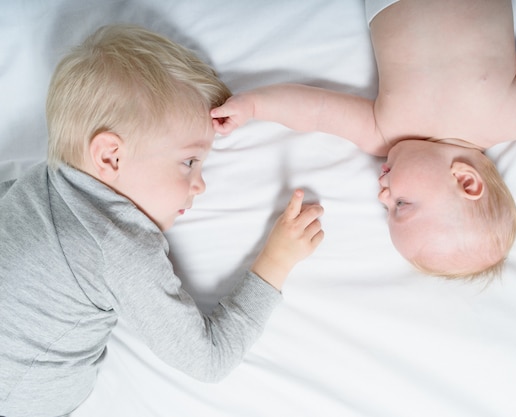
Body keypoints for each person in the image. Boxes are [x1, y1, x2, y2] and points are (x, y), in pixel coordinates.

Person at [0, 24, 324, 417]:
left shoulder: (34, 184)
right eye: (189, 162)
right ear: (110, 158)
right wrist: (277, 259)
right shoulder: (117, 247)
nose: (200, 184)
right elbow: (209, 360)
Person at [210, 0, 516, 279]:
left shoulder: (383, 134)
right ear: (466, 182)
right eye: (401, 205)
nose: (382, 195)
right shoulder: (514, 116)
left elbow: (316, 111)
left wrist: (254, 107)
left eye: (387, 208)